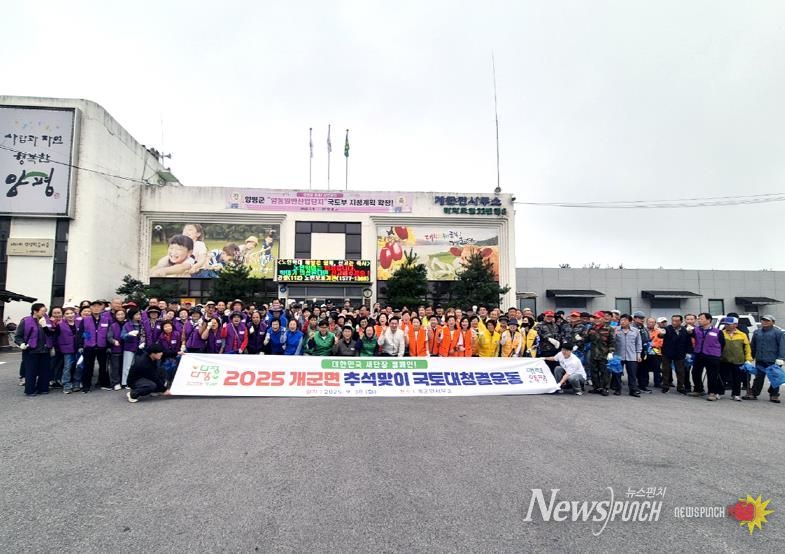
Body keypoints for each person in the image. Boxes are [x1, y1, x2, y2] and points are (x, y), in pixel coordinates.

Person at [15, 303, 55, 396]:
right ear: (35, 311)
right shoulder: (26, 321)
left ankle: (43, 388)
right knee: (31, 371)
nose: (45, 313)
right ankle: (30, 390)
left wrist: (45, 326)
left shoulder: (47, 321)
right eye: (42, 311)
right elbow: (18, 336)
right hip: (31, 350)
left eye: (45, 311)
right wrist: (21, 343)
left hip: (45, 349)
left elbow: (51, 334)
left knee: (44, 370)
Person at [745, 314, 785, 403]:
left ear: (773, 322)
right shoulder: (757, 332)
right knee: (758, 377)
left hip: (773, 360)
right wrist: (750, 357)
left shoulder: (778, 333)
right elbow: (753, 346)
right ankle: (754, 393)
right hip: (760, 359)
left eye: (767, 321)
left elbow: (782, 346)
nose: (765, 322)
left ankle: (774, 395)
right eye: (763, 320)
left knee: (774, 378)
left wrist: (781, 358)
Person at [690, 313, 725, 401]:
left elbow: (722, 343)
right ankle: (698, 389)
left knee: (712, 375)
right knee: (695, 372)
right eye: (698, 319)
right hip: (699, 354)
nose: (699, 320)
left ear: (708, 320)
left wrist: (718, 354)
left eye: (701, 319)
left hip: (712, 356)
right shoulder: (696, 330)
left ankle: (712, 392)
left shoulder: (717, 331)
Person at [81, 300, 112, 392]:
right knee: (88, 367)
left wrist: (109, 346)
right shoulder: (86, 320)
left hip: (102, 346)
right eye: (94, 306)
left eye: (98, 306)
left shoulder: (106, 320)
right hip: (89, 346)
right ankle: (86, 386)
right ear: (90, 308)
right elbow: (82, 333)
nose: (96, 308)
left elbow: (109, 334)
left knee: (103, 367)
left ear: (102, 308)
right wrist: (84, 343)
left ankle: (104, 384)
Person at [719, 317, 753, 402]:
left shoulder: (742, 334)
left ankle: (736, 394)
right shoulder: (721, 333)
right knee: (721, 377)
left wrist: (748, 359)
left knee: (737, 378)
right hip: (724, 359)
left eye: (729, 324)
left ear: (735, 325)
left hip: (738, 360)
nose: (726, 325)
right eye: (725, 324)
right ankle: (719, 392)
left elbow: (747, 348)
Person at [660, 315, 692, 394]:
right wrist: (661, 334)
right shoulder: (667, 329)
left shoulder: (685, 330)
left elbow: (688, 342)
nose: (674, 322)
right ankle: (665, 386)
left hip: (680, 353)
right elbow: (660, 335)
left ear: (681, 322)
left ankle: (680, 387)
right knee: (666, 370)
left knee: (680, 371)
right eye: (673, 320)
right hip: (667, 353)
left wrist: (688, 353)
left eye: (677, 321)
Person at [586, 311, 614, 396]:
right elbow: (587, 339)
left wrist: (611, 352)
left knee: (604, 372)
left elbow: (612, 342)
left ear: (603, 318)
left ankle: (605, 388)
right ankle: (597, 387)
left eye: (598, 318)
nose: (596, 320)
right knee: (594, 371)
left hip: (604, 354)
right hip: (594, 353)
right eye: (595, 318)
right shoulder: (592, 328)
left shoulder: (609, 329)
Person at [613, 314, 642, 397]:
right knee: (617, 373)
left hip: (632, 355)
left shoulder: (635, 331)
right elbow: (612, 342)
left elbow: (638, 343)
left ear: (630, 321)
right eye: (621, 320)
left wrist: (638, 354)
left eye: (625, 320)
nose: (622, 322)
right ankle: (617, 389)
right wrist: (614, 335)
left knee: (632, 374)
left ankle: (633, 390)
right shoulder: (616, 329)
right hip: (618, 355)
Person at [56, 307, 82, 393]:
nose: (70, 315)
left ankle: (76, 383)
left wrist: (85, 344)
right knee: (67, 367)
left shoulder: (80, 323)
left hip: (79, 348)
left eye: (71, 313)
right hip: (67, 349)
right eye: (67, 313)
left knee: (79, 366)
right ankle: (66, 385)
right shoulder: (60, 324)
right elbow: (55, 337)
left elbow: (86, 334)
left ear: (75, 314)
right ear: (64, 315)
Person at [121, 309, 145, 388]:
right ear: (132, 316)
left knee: (138, 366)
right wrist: (129, 334)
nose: (139, 316)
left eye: (139, 314)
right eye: (136, 314)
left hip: (140, 348)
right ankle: (126, 382)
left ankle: (136, 381)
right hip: (129, 347)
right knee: (127, 366)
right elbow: (122, 336)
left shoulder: (142, 324)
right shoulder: (127, 325)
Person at [107, 309, 126, 390]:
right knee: (115, 367)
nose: (120, 316)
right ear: (115, 316)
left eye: (122, 314)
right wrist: (114, 341)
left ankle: (123, 381)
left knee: (124, 366)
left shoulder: (128, 324)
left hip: (126, 349)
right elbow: (109, 337)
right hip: (116, 349)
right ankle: (115, 382)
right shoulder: (113, 325)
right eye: (118, 314)